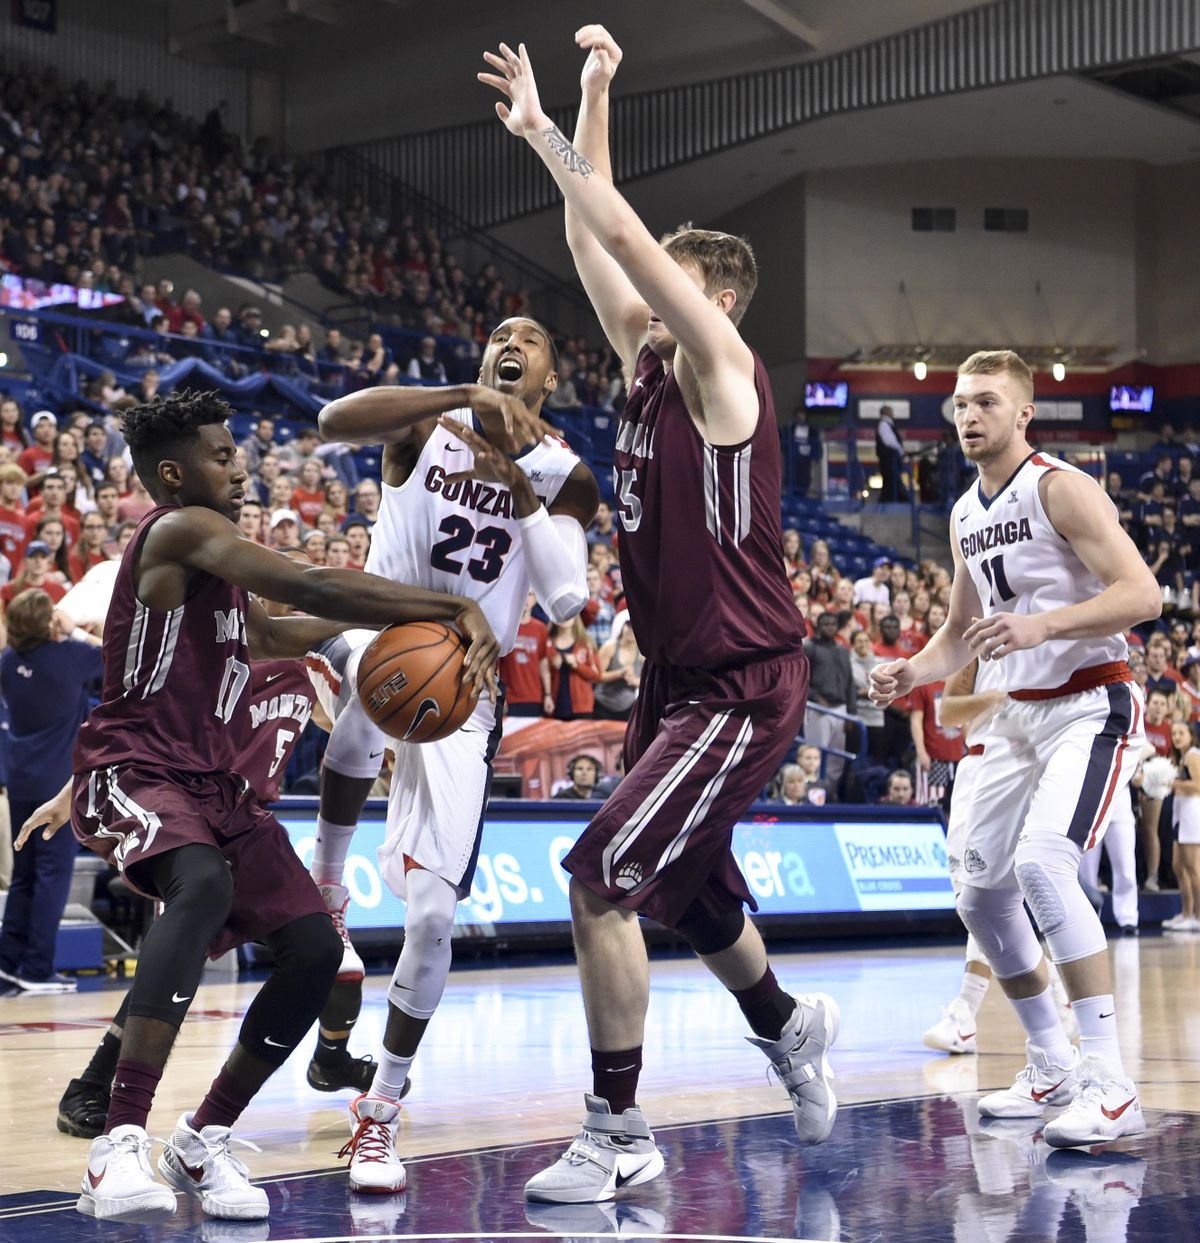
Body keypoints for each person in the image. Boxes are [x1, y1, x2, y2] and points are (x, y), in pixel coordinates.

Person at [480, 26, 836, 1205]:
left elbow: (619, 226)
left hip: (745, 678)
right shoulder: (641, 360)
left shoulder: (725, 367)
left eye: (670, 278)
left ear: (714, 293)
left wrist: (550, 132)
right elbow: (593, 233)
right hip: (682, 678)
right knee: (681, 887)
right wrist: (581, 104)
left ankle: (620, 1128)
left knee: (599, 875)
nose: (642, 291)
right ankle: (786, 1024)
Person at [50, 390, 500, 1221]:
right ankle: (116, 1146)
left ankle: (202, 1137)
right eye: (223, 456)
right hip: (137, 764)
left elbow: (273, 627)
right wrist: (447, 607)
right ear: (178, 472)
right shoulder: (180, 531)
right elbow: (305, 578)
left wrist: (368, 644)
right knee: (202, 885)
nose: (241, 466)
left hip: (212, 785)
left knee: (313, 950)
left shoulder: (214, 574)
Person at [297, 317, 597, 1196]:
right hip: (380, 624)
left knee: (431, 921)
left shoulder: (564, 470)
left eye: (533, 337)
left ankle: (381, 1108)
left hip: (464, 689)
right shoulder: (427, 424)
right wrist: (465, 399)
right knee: (359, 669)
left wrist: (525, 480)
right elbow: (332, 420)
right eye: (499, 335)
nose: (512, 340)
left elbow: (571, 597)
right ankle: (329, 882)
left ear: (550, 372)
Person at [870, 349, 1159, 1149]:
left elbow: (1143, 594)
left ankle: (1110, 1083)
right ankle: (1051, 1063)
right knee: (978, 892)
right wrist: (909, 672)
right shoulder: (965, 511)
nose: (969, 416)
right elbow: (960, 633)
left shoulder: (1059, 486)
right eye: (961, 403)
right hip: (1014, 719)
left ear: (1024, 412)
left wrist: (1043, 624)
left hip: (1089, 701)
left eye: (987, 402)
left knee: (1041, 864)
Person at [0, 590, 103, 994]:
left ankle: (8, 960)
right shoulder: (68, 658)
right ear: (48, 623)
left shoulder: (7, 663)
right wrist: (76, 631)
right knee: (52, 876)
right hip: (57, 787)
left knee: (24, 875)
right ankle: (38, 968)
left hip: (20, 778)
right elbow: (119, 657)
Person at [803, 610, 855, 791]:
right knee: (814, 756)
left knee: (837, 758)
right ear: (818, 625)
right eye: (825, 624)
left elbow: (850, 683)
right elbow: (801, 680)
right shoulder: (809, 647)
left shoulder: (842, 650)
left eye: (833, 624)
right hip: (818, 708)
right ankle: (810, 794)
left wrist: (851, 712)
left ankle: (828, 794)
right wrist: (816, 698)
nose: (830, 628)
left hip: (841, 708)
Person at [1165, 722, 1200, 932]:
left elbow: (1198, 785)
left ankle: (1197, 915)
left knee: (1193, 867)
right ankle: (1187, 913)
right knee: (1178, 865)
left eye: (1181, 733)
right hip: (1181, 812)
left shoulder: (1192, 755)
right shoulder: (1181, 757)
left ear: (1191, 735)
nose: (1177, 737)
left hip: (1192, 812)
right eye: (1174, 733)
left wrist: (1172, 783)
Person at [875, 405, 907, 502]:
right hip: (889, 459)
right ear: (886, 412)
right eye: (891, 411)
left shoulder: (887, 425)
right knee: (891, 482)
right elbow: (889, 441)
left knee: (894, 482)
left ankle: (896, 500)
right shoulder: (884, 425)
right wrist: (900, 450)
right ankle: (891, 501)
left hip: (891, 459)